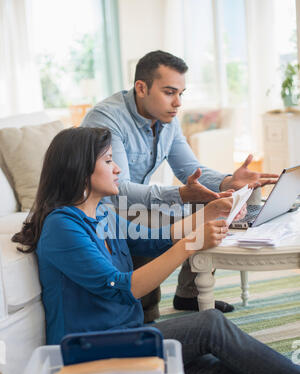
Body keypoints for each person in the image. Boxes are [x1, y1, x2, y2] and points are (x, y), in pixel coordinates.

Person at [12, 127, 300, 374]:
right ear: (81, 168)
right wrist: (192, 244)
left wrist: (209, 212)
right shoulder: (62, 227)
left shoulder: (101, 214)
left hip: (128, 338)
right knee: (209, 324)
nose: (118, 168)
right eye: (109, 161)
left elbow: (157, 238)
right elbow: (126, 288)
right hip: (91, 356)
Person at [81, 50, 278, 322]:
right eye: (170, 92)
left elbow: (189, 170)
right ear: (141, 87)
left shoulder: (167, 120)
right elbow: (119, 191)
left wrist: (228, 181)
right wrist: (180, 195)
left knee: (214, 205)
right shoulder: (108, 119)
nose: (177, 103)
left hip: (132, 199)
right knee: (168, 214)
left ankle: (190, 294)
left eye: (181, 94)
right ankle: (145, 310)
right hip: (103, 204)